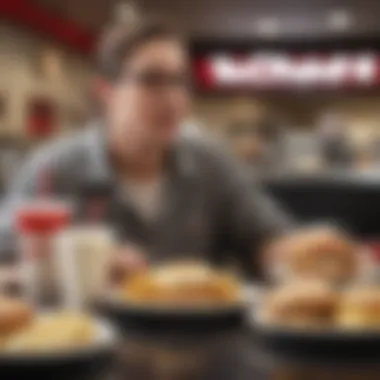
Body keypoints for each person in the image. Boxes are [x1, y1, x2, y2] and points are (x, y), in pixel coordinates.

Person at [0, 17, 353, 279]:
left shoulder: (210, 164)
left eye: (180, 82)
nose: (172, 99)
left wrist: (301, 251)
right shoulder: (51, 170)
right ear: (105, 92)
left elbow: (267, 237)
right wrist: (70, 262)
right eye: (151, 80)